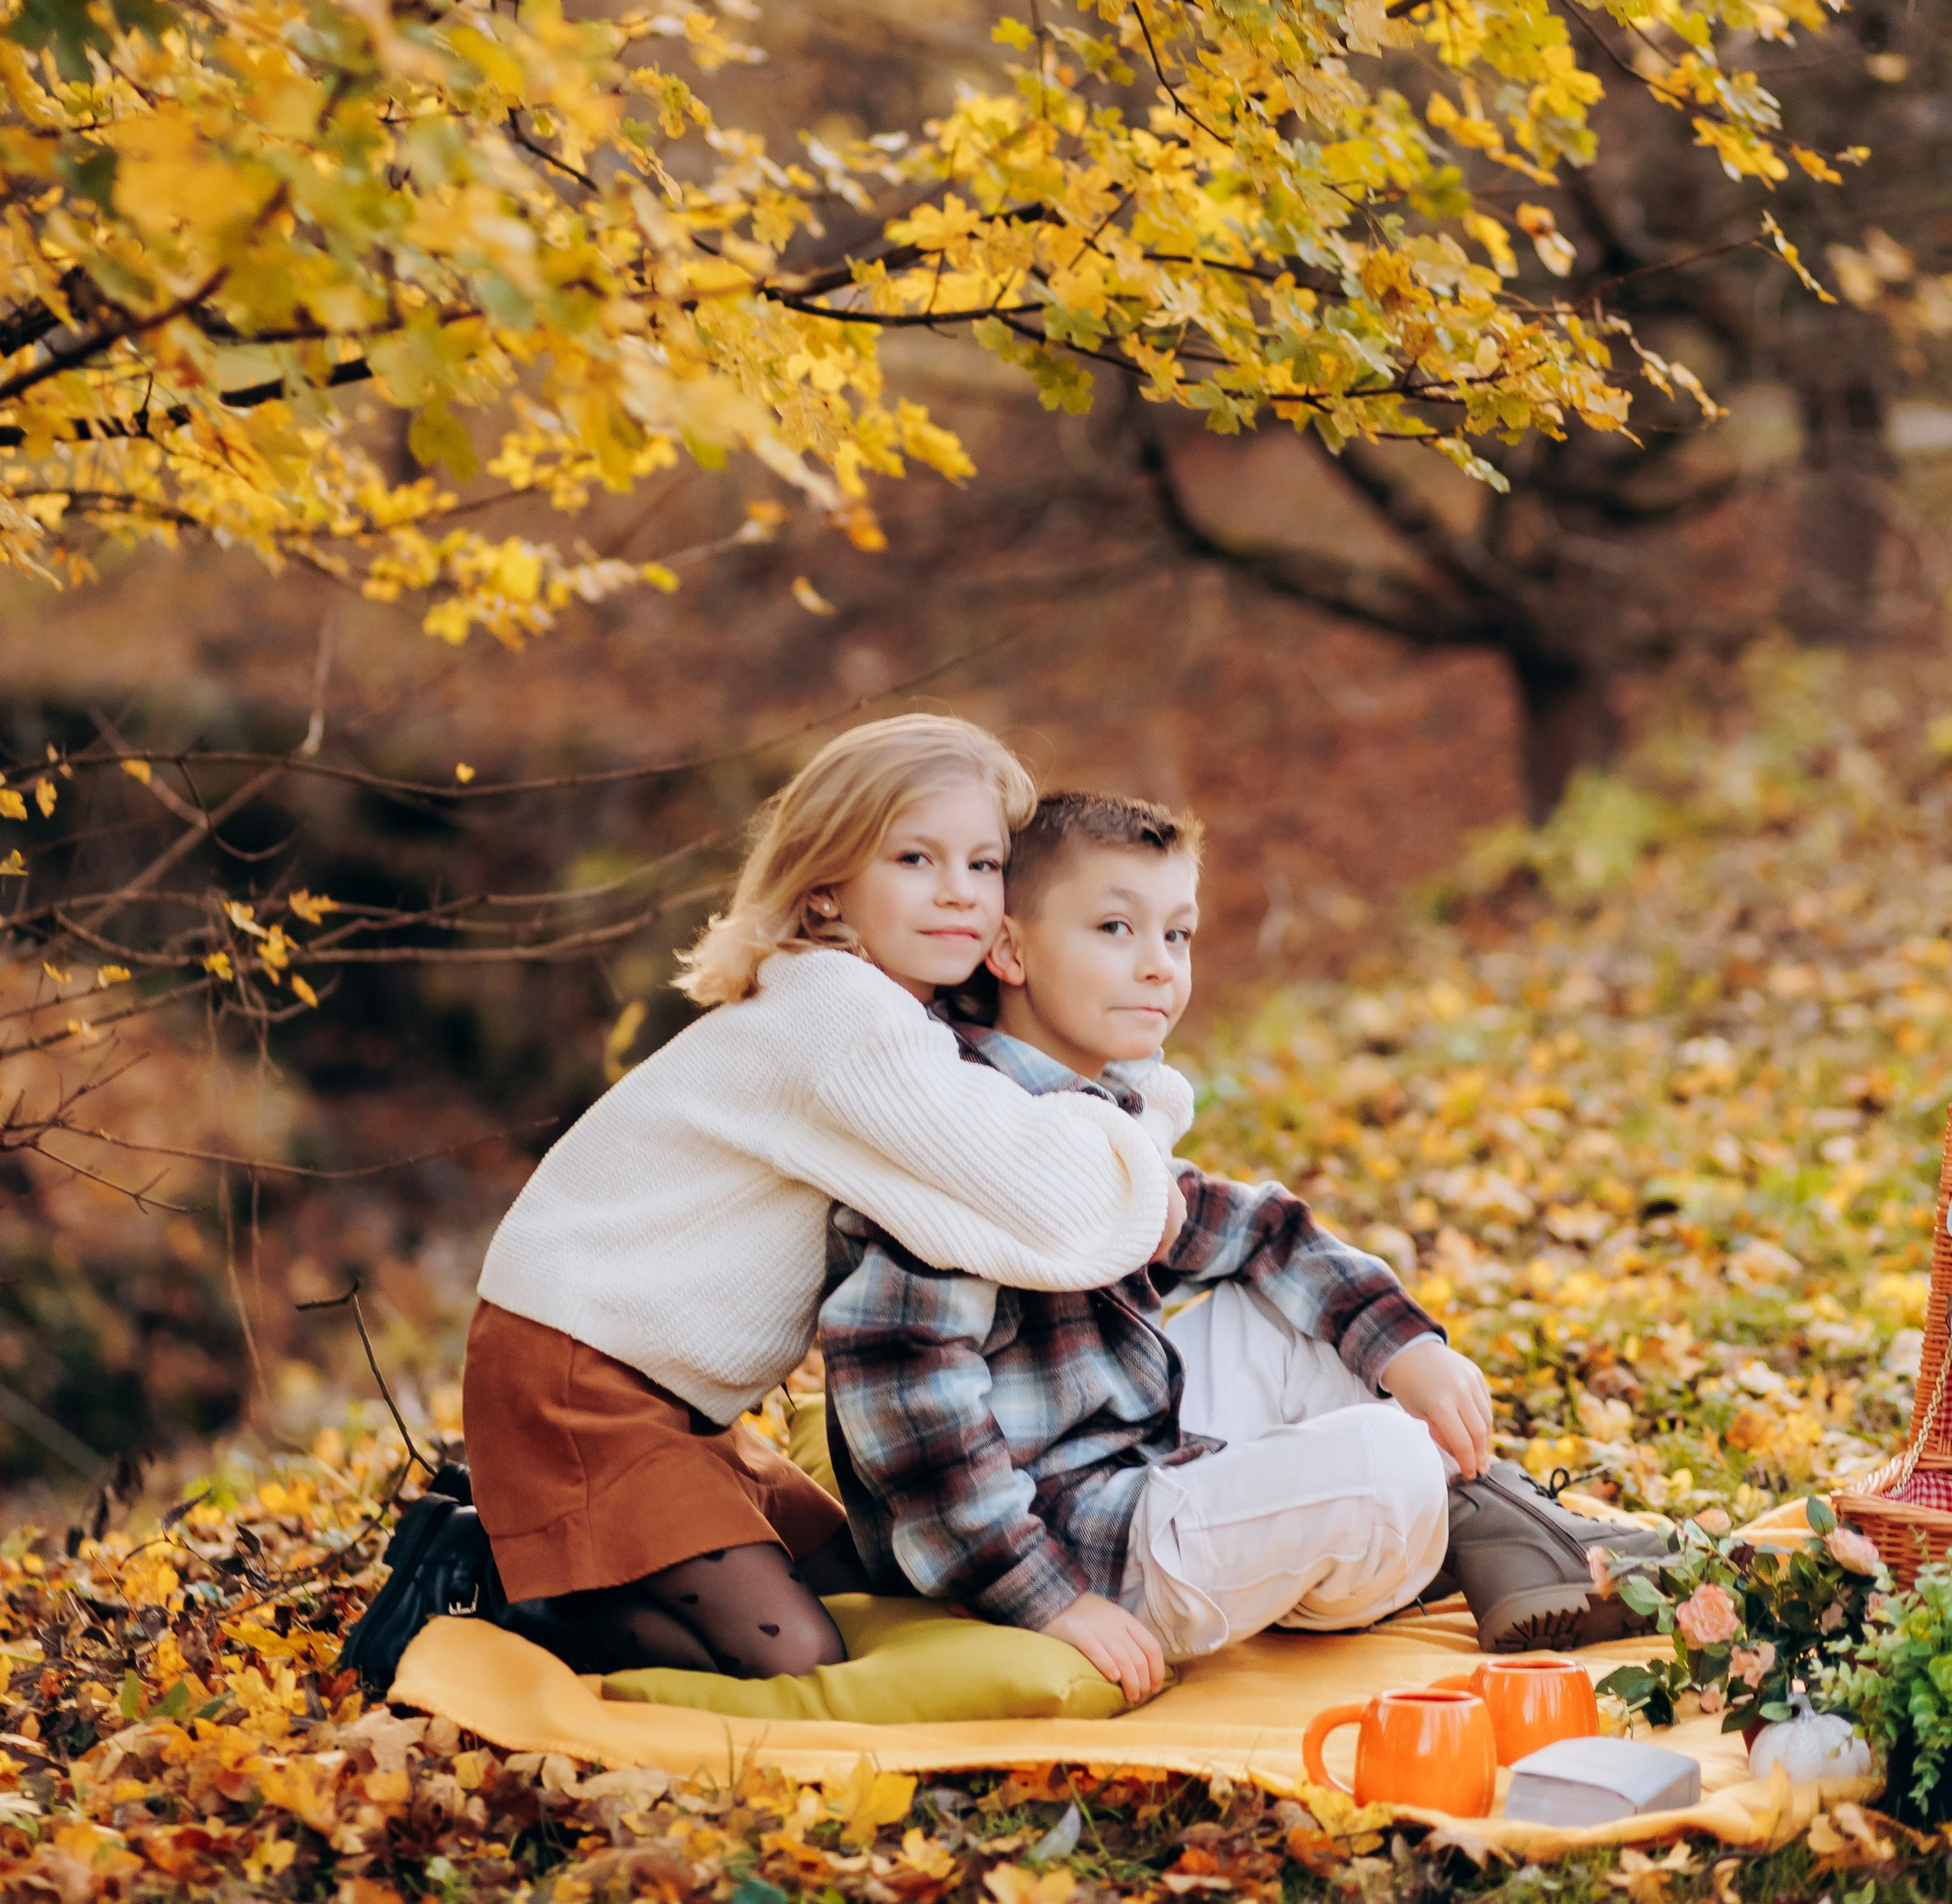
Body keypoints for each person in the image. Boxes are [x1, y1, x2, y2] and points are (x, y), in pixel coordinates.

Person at [341, 721, 1181, 1693]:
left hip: (679, 1397)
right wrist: (1143, 1116)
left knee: (876, 1581)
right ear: (825, 885)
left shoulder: (889, 1014)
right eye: (915, 858)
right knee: (790, 1654)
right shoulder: (841, 1019)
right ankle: (491, 1577)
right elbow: (1047, 1195)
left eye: (985, 863)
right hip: (580, 1372)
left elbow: (999, 1196)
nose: (960, 890)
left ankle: (567, 1553)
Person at [820, 791, 1668, 1703]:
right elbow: (908, 1397)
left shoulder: (1088, 1112)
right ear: (1013, 948)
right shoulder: (960, 1130)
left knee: (1324, 1337)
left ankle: (1496, 1522)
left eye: (1176, 935)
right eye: (1116, 927)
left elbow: (1258, 1230)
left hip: (1120, 1459)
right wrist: (1049, 1601)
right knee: (1387, 1461)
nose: (1157, 967)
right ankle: (1469, 1523)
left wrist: (1408, 1346)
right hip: (1059, 1548)